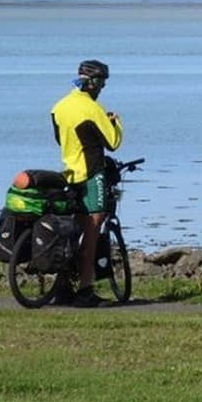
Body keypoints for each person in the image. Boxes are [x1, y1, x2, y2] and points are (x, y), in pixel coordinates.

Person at [50, 59, 123, 307]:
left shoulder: (58, 107)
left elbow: (60, 140)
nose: (102, 88)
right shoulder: (93, 110)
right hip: (92, 174)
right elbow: (113, 142)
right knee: (92, 229)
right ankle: (85, 289)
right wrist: (115, 121)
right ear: (91, 83)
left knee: (75, 230)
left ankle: (62, 285)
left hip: (69, 174)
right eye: (101, 82)